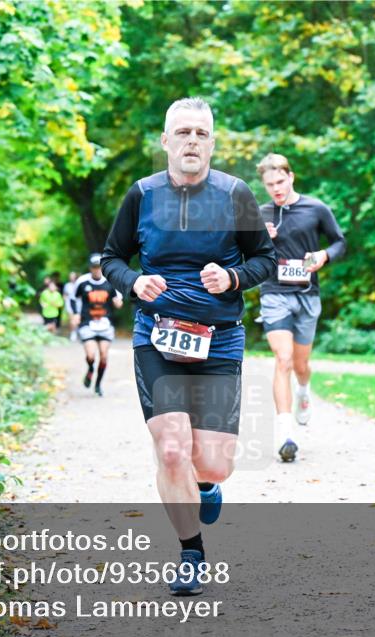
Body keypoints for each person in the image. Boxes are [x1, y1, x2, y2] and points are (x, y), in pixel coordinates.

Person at [102, 97, 276, 596]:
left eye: (201, 133)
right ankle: (191, 553)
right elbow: (111, 258)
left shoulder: (235, 194)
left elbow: (264, 259)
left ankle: (206, 484)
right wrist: (135, 284)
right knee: (173, 448)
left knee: (214, 462)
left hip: (218, 339)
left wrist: (233, 277)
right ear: (165, 141)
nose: (192, 141)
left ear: (212, 143)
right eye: (183, 132)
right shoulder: (141, 195)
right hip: (156, 335)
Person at [257, 153, 346, 463]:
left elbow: (339, 242)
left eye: (280, 182)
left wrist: (324, 256)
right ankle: (285, 434)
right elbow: (240, 252)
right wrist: (258, 240)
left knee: (299, 365)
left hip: (307, 294)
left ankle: (304, 390)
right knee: (282, 360)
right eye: (270, 185)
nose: (276, 189)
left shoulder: (316, 208)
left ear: (291, 177)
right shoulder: (261, 214)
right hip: (274, 293)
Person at [71, 254, 123, 396]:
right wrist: (75, 314)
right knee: (91, 356)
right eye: (94, 267)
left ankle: (98, 385)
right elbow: (72, 298)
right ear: (90, 268)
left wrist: (118, 302)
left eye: (99, 267)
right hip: (87, 322)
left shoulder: (110, 282)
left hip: (106, 323)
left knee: (104, 356)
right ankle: (90, 369)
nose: (97, 270)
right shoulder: (82, 282)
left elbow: (117, 298)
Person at [62, 271, 80, 341]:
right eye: (70, 276)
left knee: (78, 318)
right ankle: (73, 332)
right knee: (71, 319)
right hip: (70, 303)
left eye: (73, 276)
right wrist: (65, 300)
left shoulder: (79, 283)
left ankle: (78, 331)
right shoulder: (67, 285)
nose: (72, 278)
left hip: (78, 303)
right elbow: (65, 294)